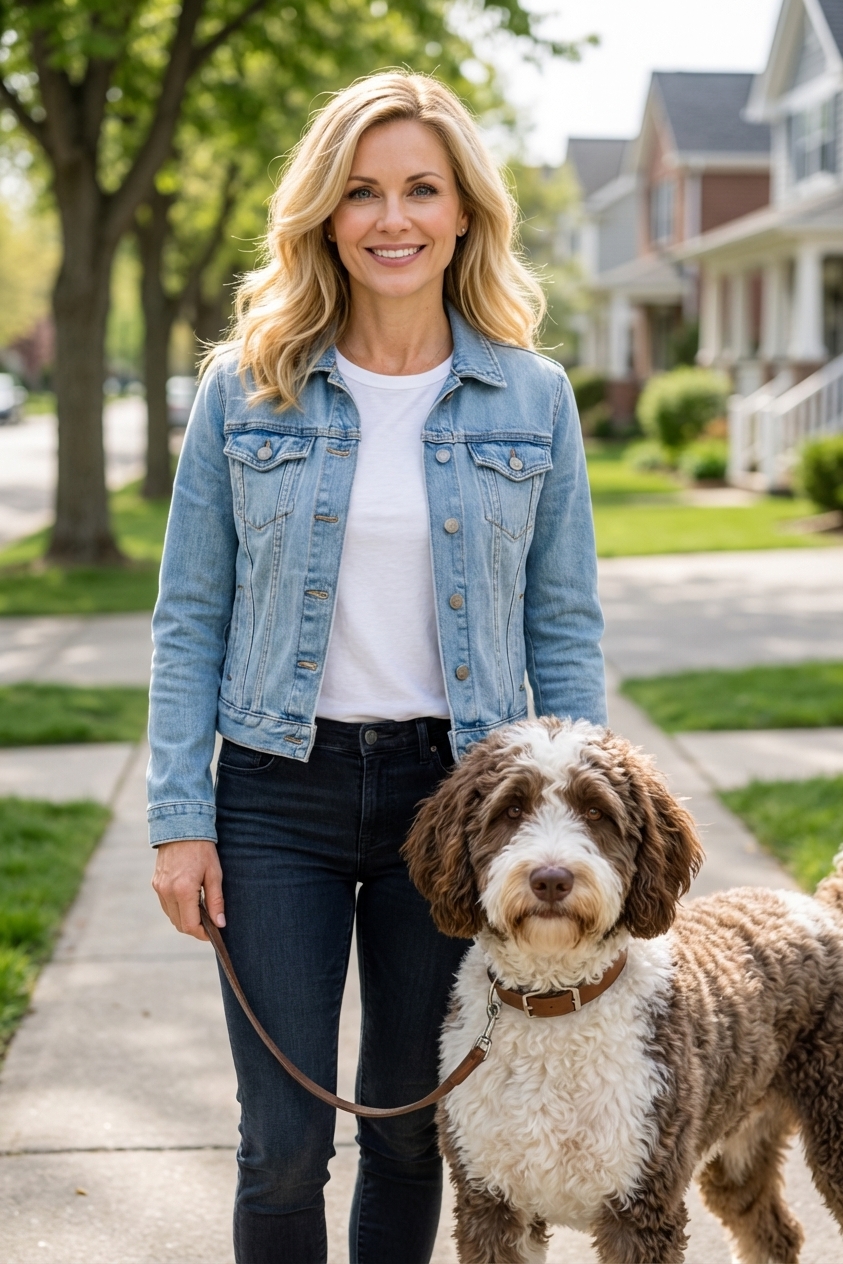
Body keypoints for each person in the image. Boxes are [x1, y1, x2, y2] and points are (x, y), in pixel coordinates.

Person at [147, 70, 606, 1264]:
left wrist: (577, 827)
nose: (391, 217)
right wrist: (179, 818)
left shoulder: (532, 398)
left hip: (457, 803)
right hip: (274, 797)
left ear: (463, 212)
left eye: (420, 189)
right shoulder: (246, 387)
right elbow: (190, 615)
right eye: (360, 191)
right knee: (282, 1141)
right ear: (324, 214)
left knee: (411, 1133)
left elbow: (563, 626)